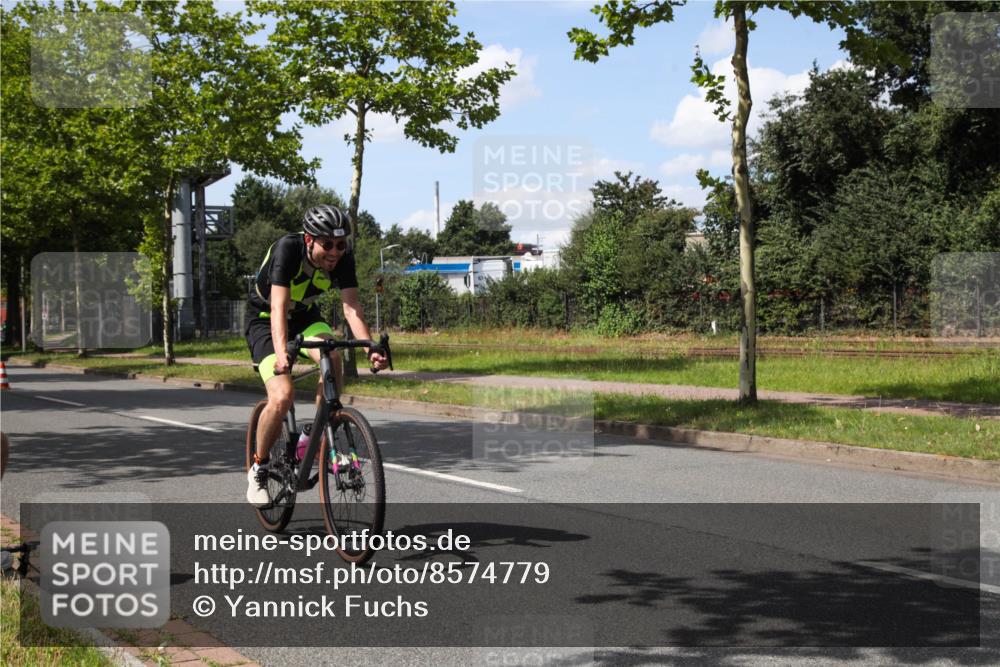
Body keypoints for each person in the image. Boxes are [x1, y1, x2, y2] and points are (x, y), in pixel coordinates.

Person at [244, 204, 387, 506]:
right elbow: (278, 307)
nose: (335, 252)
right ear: (309, 240)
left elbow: (351, 308)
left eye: (340, 244)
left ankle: (315, 436)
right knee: (282, 395)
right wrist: (282, 354)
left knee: (332, 354)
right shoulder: (288, 249)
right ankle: (259, 467)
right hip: (265, 320)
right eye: (327, 244)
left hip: (305, 317)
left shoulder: (343, 257)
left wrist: (369, 347)